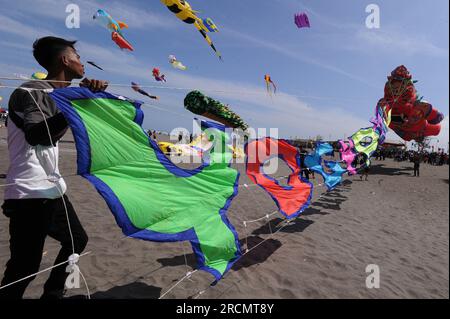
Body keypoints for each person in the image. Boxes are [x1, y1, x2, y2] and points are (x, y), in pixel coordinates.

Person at [0, 36, 108, 299]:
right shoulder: (33, 91)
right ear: (64, 60)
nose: (82, 63)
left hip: (51, 190)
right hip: (28, 194)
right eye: (78, 57)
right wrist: (74, 103)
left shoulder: (58, 95)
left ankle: (53, 293)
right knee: (24, 268)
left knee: (76, 240)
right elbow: (38, 135)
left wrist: (80, 98)